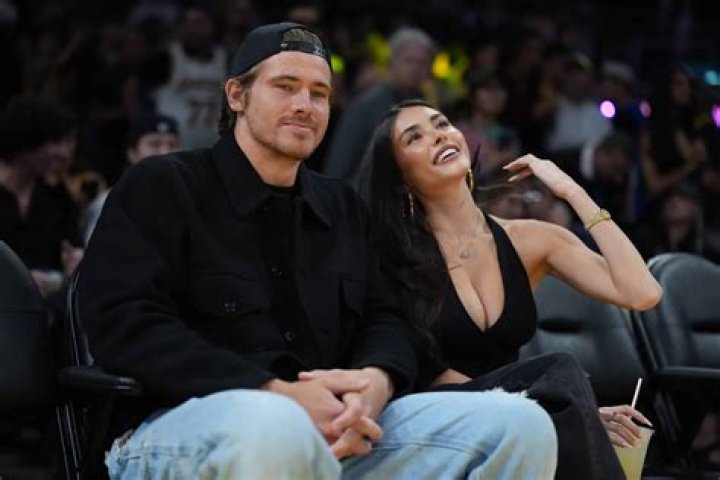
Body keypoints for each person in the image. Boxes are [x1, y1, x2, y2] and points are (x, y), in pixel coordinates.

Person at [79, 22, 557, 479]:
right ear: (237, 95)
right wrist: (276, 391)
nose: (304, 105)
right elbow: (124, 325)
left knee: (516, 423)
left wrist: (374, 383)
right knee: (278, 425)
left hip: (335, 429)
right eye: (285, 87)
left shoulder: (342, 205)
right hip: (181, 423)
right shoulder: (163, 185)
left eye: (319, 93)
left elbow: (387, 317)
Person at [361, 99, 664, 479]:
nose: (438, 136)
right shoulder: (393, 254)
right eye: (414, 138)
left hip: (517, 419)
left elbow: (642, 292)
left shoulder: (528, 240)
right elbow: (426, 370)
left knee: (563, 385)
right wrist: (560, 409)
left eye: (441, 124)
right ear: (399, 175)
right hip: (434, 423)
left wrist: (573, 191)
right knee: (560, 368)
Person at [322, 27, 436, 185]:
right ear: (392, 63)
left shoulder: (426, 107)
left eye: (422, 63)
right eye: (409, 61)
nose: (415, 69)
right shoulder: (368, 105)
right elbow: (341, 162)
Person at [0, 96, 83, 296]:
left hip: (45, 307)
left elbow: (73, 252)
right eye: (55, 142)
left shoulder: (56, 196)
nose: (64, 153)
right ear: (28, 140)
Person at [80, 112, 179, 244]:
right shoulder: (110, 203)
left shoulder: (189, 202)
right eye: (154, 144)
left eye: (172, 145)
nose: (165, 152)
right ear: (133, 153)